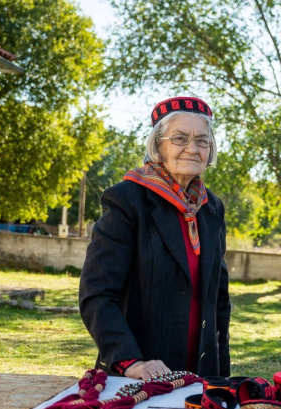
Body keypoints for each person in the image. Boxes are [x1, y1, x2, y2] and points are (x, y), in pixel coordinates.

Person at [79, 96, 230, 381]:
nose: (192, 148)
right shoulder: (127, 200)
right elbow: (97, 293)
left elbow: (218, 302)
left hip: (202, 377)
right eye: (180, 138)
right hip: (140, 373)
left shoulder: (211, 208)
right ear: (157, 145)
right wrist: (131, 361)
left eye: (202, 140)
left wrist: (221, 375)